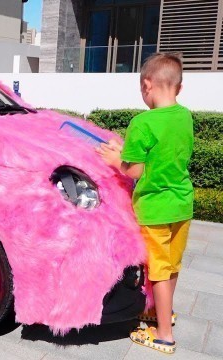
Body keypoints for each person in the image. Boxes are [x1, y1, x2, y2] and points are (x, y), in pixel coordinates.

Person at [97, 53, 193, 355]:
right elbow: (161, 154)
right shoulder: (185, 115)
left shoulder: (142, 122)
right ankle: (161, 313)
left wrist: (117, 160)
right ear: (178, 88)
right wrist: (127, 150)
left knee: (159, 271)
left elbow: (135, 170)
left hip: (155, 209)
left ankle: (163, 335)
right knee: (171, 266)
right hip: (182, 205)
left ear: (146, 85)